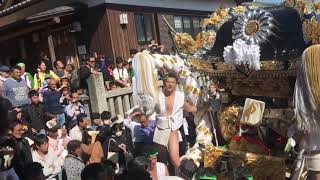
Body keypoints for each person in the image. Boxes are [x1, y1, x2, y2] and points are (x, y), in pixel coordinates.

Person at [153, 72, 197, 169]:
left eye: (173, 82)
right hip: (161, 129)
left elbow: (190, 108)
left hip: (173, 129)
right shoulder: (157, 96)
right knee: (162, 161)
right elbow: (148, 109)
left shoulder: (180, 96)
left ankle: (183, 177)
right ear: (164, 83)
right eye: (168, 82)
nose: (170, 84)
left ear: (176, 83)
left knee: (175, 159)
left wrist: (204, 107)